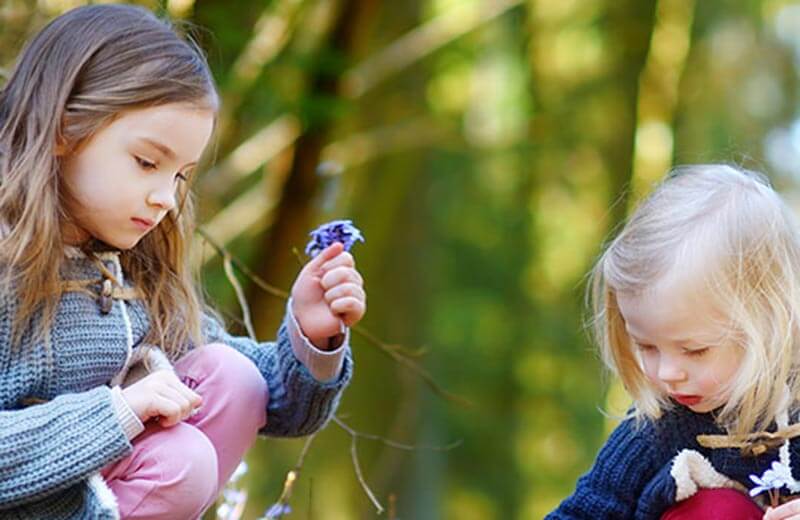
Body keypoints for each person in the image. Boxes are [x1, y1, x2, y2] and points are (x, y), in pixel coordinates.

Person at [0, 4, 366, 519]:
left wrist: (313, 335)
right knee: (180, 460)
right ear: (64, 129)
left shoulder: (127, 271)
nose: (165, 199)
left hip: (93, 495)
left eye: (179, 176)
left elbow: (269, 401)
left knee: (231, 378)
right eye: (147, 162)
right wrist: (118, 414)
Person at [547, 164, 800, 519]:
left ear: (770, 325)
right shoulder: (657, 428)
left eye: (694, 350)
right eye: (646, 346)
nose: (667, 373)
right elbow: (584, 512)